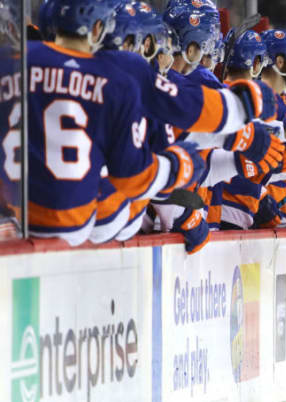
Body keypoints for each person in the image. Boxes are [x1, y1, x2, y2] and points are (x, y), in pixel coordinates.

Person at [26, 0, 205, 245]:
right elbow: (140, 177)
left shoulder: (28, 64)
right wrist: (179, 182)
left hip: (25, 216)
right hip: (94, 221)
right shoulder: (122, 85)